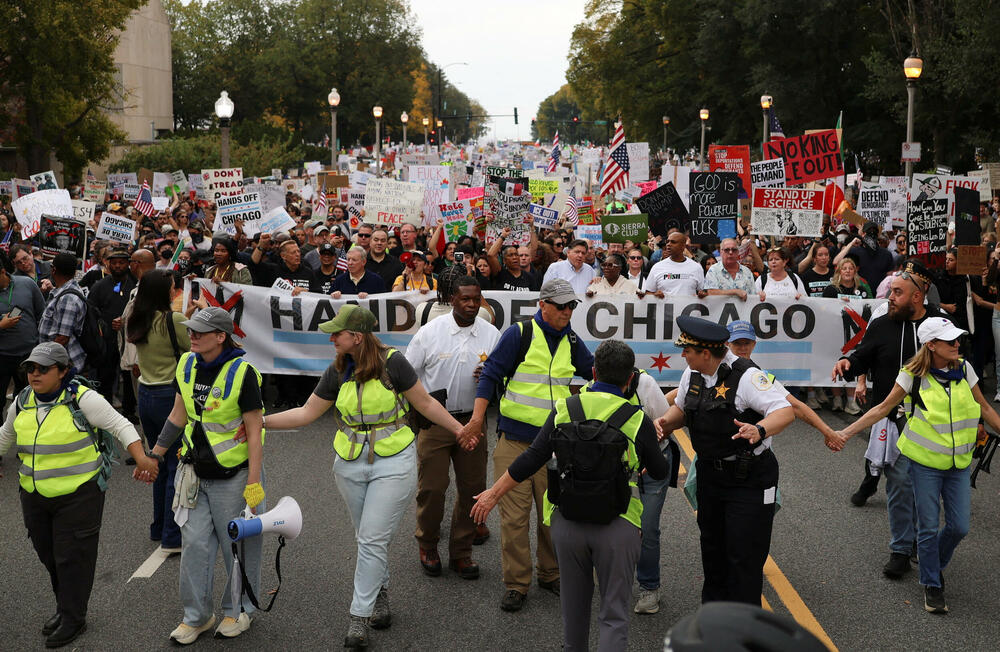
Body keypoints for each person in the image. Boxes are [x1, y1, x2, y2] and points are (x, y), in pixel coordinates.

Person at [259, 305, 470, 649]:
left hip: (394, 461)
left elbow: (425, 404)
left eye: (337, 333)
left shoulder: (394, 363)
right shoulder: (337, 369)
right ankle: (379, 594)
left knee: (371, 539)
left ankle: (359, 617)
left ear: (357, 337)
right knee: (368, 538)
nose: (331, 338)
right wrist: (260, 422)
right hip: (349, 464)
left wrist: (459, 430)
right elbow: (306, 413)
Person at [471, 340, 667, 651]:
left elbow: (532, 457)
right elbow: (659, 470)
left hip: (567, 522)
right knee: (613, 615)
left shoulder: (565, 408)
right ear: (630, 379)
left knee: (574, 613)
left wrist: (493, 494)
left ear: (593, 372)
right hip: (618, 525)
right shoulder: (636, 418)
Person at [834, 317, 1000, 614]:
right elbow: (883, 408)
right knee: (928, 526)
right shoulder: (912, 374)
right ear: (931, 345)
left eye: (957, 339)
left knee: (959, 527)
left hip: (958, 464)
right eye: (950, 341)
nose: (957, 344)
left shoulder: (965, 369)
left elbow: (985, 408)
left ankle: (930, 561)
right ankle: (932, 584)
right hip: (924, 464)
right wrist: (845, 432)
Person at [0, 342, 158, 648]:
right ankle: (65, 608)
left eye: (43, 368)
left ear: (62, 372)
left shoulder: (82, 398)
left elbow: (120, 424)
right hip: (34, 494)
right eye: (30, 368)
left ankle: (74, 617)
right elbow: (6, 435)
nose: (34, 374)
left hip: (78, 495)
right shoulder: (23, 400)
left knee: (72, 558)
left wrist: (141, 458)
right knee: (50, 556)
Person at [463, 278, 595, 612]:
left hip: (555, 447)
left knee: (553, 516)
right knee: (514, 519)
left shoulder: (572, 340)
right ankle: (516, 583)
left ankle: (551, 573)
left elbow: (596, 374)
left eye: (571, 306)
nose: (567, 312)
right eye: (561, 306)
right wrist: (477, 419)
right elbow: (490, 374)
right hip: (516, 443)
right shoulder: (519, 334)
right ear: (543, 305)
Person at [655, 316, 794, 604]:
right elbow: (682, 409)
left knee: (744, 557)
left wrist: (759, 429)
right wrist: (663, 424)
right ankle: (714, 619)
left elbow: (785, 411)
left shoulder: (747, 377)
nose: (683, 355)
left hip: (749, 479)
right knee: (713, 550)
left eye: (687, 350)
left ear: (706, 353)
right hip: (711, 476)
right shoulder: (692, 373)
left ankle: (745, 623)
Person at [148, 307, 266, 643]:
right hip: (194, 472)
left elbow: (254, 432)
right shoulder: (186, 364)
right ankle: (197, 616)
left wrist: (254, 483)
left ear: (221, 336)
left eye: (200, 331)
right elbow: (179, 414)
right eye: (191, 330)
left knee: (237, 548)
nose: (192, 336)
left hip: (234, 476)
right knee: (195, 545)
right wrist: (155, 454)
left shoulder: (243, 373)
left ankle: (239, 610)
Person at [831, 259, 950, 577]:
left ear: (917, 296)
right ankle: (900, 549)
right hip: (892, 417)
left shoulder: (941, 326)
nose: (889, 297)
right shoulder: (882, 324)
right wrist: (848, 363)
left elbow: (961, 369)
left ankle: (920, 541)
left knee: (925, 488)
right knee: (898, 484)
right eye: (890, 291)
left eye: (897, 292)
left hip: (933, 421)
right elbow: (863, 356)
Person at [406, 276, 500, 579]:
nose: (472, 305)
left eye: (476, 299)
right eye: (465, 299)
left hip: (473, 422)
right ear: (451, 299)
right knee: (432, 488)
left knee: (472, 489)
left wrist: (493, 377)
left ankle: (462, 551)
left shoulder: (492, 334)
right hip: (435, 422)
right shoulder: (429, 333)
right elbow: (407, 375)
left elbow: (505, 376)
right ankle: (428, 544)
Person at [127, 269, 191, 554]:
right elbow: (194, 346)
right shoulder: (172, 319)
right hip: (170, 395)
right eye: (173, 287)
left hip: (146, 394)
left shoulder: (137, 318)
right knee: (176, 464)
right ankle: (172, 535)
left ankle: (158, 527)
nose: (175, 291)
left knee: (157, 461)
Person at [87, 247, 138, 419]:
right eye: (114, 263)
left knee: (128, 376)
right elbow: (91, 311)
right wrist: (104, 324)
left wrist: (126, 322)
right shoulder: (100, 286)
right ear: (108, 264)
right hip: (107, 340)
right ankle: (106, 411)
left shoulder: (135, 284)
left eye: (121, 263)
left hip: (129, 339)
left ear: (128, 264)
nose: (117, 266)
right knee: (106, 377)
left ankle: (129, 411)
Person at [0, 249, 46, 420]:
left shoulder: (26, 283)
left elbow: (42, 314)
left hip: (29, 354)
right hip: (2, 356)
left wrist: (41, 346)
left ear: (2, 272)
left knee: (28, 399)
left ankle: (24, 429)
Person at [38, 254, 87, 373]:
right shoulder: (64, 292)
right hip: (56, 360)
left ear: (53, 270)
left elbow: (63, 338)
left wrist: (44, 358)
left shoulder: (68, 298)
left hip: (62, 363)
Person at [642, 232, 705, 298]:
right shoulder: (657, 267)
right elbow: (648, 293)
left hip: (689, 305)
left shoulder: (696, 267)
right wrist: (655, 295)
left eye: (673, 242)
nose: (668, 244)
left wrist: (702, 295)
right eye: (667, 242)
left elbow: (703, 292)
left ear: (683, 246)